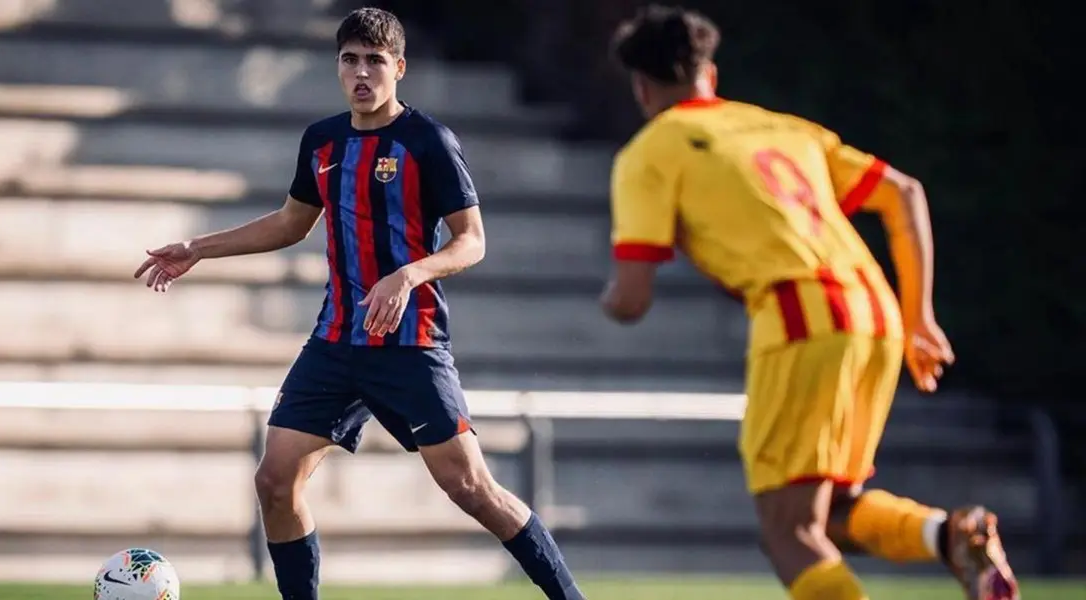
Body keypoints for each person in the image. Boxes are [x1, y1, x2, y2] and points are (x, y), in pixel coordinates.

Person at [134, 8, 584, 600]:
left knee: (470, 486)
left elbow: (472, 240)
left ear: (399, 67)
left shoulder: (429, 141)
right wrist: (198, 247)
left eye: (375, 61)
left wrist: (409, 275)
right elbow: (292, 223)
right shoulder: (322, 140)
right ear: (338, 68)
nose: (362, 73)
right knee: (275, 481)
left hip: (409, 344)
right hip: (336, 343)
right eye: (350, 60)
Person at [600, 5, 1020, 600]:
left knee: (788, 530)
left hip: (802, 318)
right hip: (877, 311)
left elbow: (631, 298)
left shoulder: (650, 151)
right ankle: (952, 536)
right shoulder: (785, 127)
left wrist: (611, 299)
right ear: (710, 75)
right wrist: (919, 314)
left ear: (642, 89)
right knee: (831, 511)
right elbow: (905, 193)